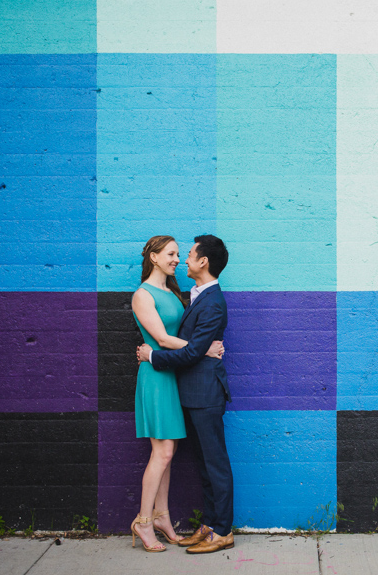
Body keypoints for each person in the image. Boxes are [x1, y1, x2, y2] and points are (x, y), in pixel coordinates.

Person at [137, 234, 234, 554]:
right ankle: (209, 525)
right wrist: (201, 348)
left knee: (214, 463)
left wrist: (152, 356)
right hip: (186, 390)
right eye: (174, 253)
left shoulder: (211, 300)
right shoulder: (192, 294)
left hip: (204, 392)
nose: (182, 259)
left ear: (203, 262)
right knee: (204, 464)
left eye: (188, 254)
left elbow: (190, 351)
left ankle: (221, 531)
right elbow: (184, 342)